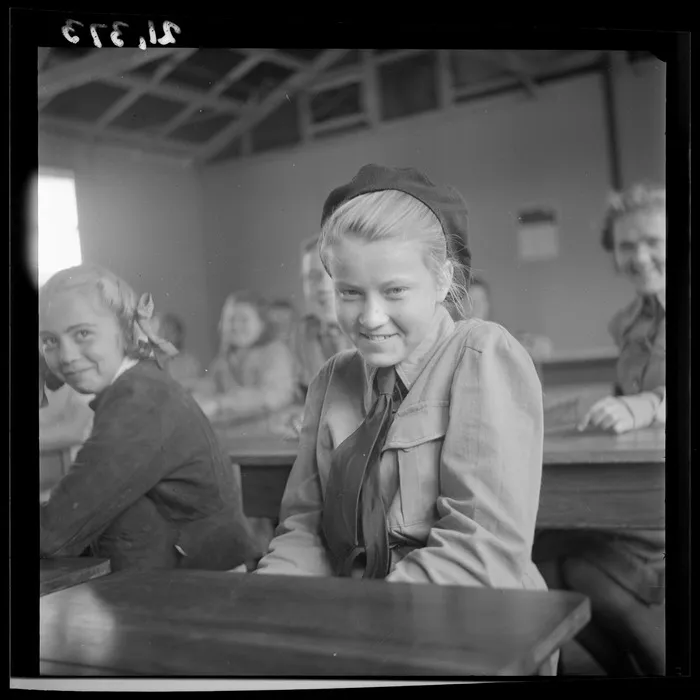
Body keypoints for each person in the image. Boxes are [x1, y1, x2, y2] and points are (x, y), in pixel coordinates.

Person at [254, 165, 556, 675]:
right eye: (350, 293)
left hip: (469, 629)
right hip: (362, 627)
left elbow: (482, 550)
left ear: (442, 280)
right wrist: (267, 603)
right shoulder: (332, 378)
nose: (370, 318)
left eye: (394, 291)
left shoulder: (480, 353)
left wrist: (358, 630)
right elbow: (304, 526)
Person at [39, 264, 262, 571]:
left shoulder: (140, 402)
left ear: (128, 330)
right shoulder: (135, 386)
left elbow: (55, 532)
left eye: (83, 334)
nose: (65, 356)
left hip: (201, 589)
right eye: (50, 340)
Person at [533, 183, 666, 676]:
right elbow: (619, 398)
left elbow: (645, 403)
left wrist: (648, 405)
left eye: (654, 241)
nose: (641, 256)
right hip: (638, 487)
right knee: (538, 553)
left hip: (663, 501)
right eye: (628, 246)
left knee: (568, 557)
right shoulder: (627, 323)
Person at [193, 291, 300, 421]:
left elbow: (272, 396)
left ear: (262, 324)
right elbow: (208, 386)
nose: (236, 326)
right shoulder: (224, 359)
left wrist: (220, 403)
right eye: (230, 319)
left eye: (244, 320)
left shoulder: (276, 352)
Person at [294, 234, 355, 394]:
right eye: (312, 277)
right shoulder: (305, 333)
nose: (323, 286)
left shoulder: (377, 332)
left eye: (332, 273)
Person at [156, 312, 203, 390]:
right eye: (163, 331)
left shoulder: (190, 361)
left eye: (170, 331)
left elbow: (197, 385)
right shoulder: (157, 363)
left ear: (179, 334)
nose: (165, 336)